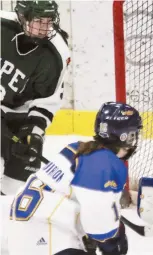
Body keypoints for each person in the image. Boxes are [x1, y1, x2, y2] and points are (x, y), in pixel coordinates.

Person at [8, 102, 143, 255]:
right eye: (133, 135)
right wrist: (111, 242)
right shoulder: (102, 162)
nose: (134, 141)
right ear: (124, 136)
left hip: (25, 236)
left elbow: (82, 201)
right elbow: (97, 216)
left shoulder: (78, 148)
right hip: (47, 238)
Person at [1, 0, 71, 195]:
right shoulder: (2, 27)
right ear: (23, 16)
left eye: (49, 21)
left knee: (16, 188)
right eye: (39, 21)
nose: (45, 28)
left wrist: (34, 133)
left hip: (19, 116)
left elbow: (47, 100)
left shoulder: (56, 54)